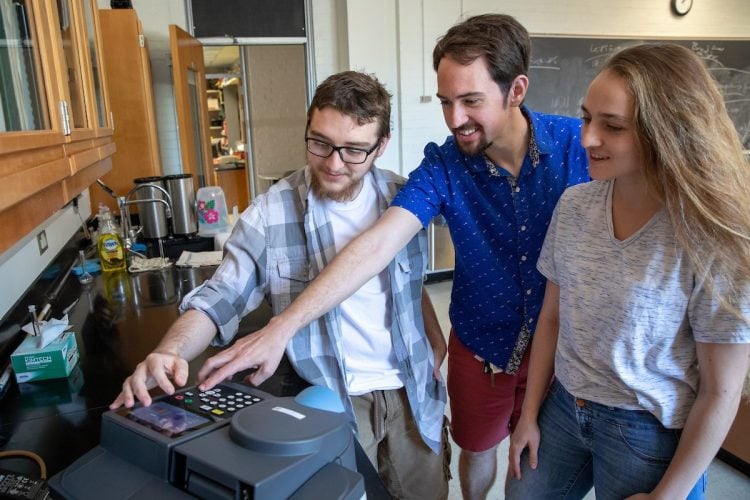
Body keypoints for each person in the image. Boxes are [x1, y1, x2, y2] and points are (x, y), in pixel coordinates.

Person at [189, 14, 589, 499]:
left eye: (470, 101)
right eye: (445, 101)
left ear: (516, 90)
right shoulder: (444, 166)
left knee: (536, 478)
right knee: (476, 453)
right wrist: (282, 327)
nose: (454, 119)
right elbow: (376, 247)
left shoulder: (581, 148)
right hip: (483, 346)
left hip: (567, 349)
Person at [111, 71, 451, 500]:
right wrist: (170, 350)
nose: (333, 163)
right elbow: (220, 299)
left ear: (380, 146)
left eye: (354, 151)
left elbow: (409, 284)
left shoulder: (405, 201)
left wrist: (435, 338)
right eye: (320, 142)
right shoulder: (270, 213)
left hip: (413, 392)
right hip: (331, 402)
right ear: (307, 127)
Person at [506, 43, 750, 500]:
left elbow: (721, 391)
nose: (587, 139)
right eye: (586, 118)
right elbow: (552, 319)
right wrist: (529, 415)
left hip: (648, 430)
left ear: (668, 132)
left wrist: (668, 494)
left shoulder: (713, 235)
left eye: (612, 126)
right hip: (563, 405)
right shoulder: (575, 205)